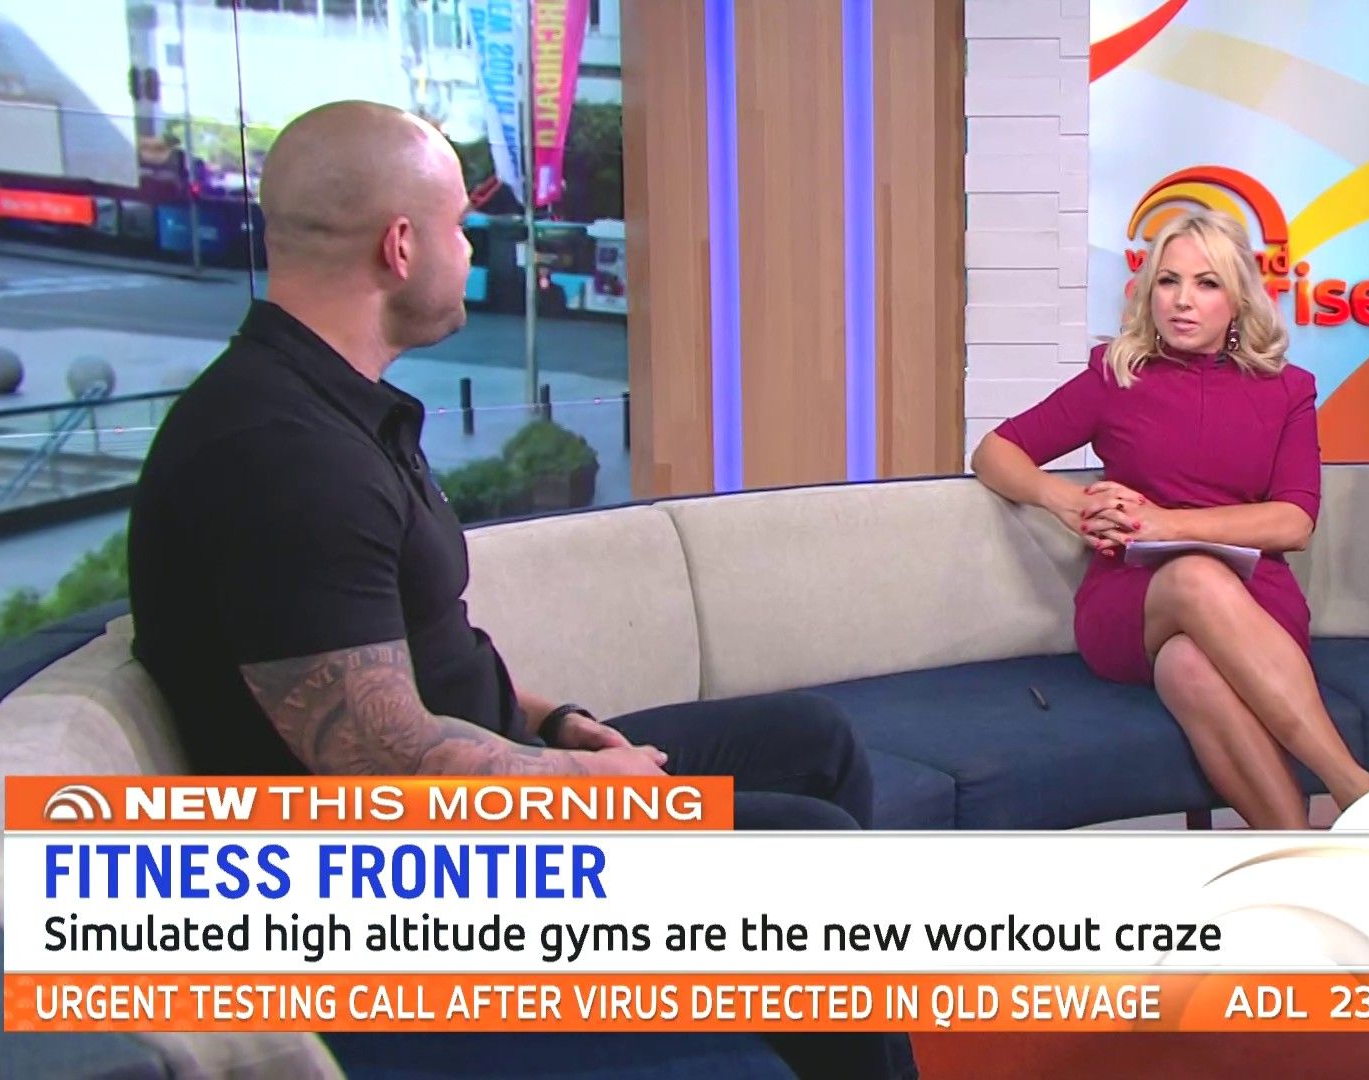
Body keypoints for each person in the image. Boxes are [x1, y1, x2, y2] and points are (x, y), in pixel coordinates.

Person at [126, 100, 914, 1080]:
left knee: (810, 743)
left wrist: (559, 723)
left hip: (491, 783)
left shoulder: (338, 415)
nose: (471, 249)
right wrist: (587, 793)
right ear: (400, 246)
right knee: (813, 854)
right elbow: (371, 766)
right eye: (460, 226)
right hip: (401, 876)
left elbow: (430, 651)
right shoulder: (283, 455)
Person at [971, 210, 1369, 830]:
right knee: (1193, 576)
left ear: (1237, 298)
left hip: (1255, 602)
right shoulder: (1116, 375)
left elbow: (1294, 522)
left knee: (1189, 667)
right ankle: (1354, 786)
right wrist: (1066, 501)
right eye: (1168, 280)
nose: (1182, 300)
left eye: (1206, 283)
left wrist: (1168, 524)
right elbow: (994, 453)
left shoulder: (1287, 390)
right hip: (1132, 601)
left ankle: (1297, 853)